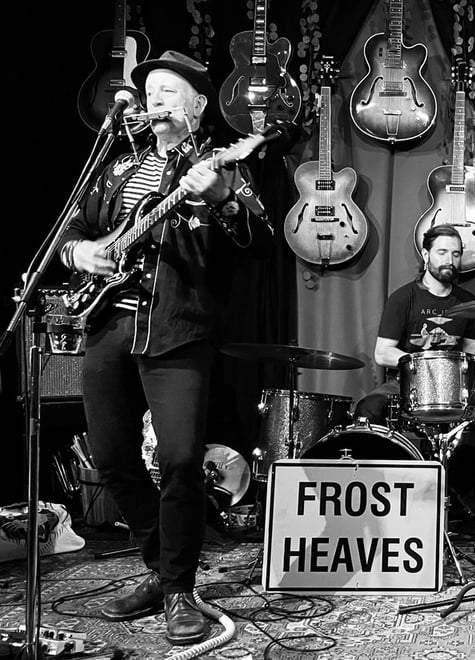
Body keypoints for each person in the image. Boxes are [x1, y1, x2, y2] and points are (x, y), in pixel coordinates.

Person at [58, 51, 271, 645]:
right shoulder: (117, 167)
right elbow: (71, 230)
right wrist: (82, 253)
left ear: (198, 106)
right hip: (107, 327)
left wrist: (222, 197)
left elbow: (258, 240)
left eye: (169, 90)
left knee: (179, 461)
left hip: (176, 330)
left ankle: (179, 588)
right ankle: (162, 567)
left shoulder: (220, 163)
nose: (154, 98)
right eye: (149, 90)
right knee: (110, 459)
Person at [354, 224, 475, 532]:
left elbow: (472, 352)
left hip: (453, 387)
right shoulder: (404, 298)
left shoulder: (467, 301)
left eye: (456, 254)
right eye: (442, 252)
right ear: (426, 255)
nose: (450, 260)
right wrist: (422, 363)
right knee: (368, 409)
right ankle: (371, 499)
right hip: (408, 384)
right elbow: (382, 353)